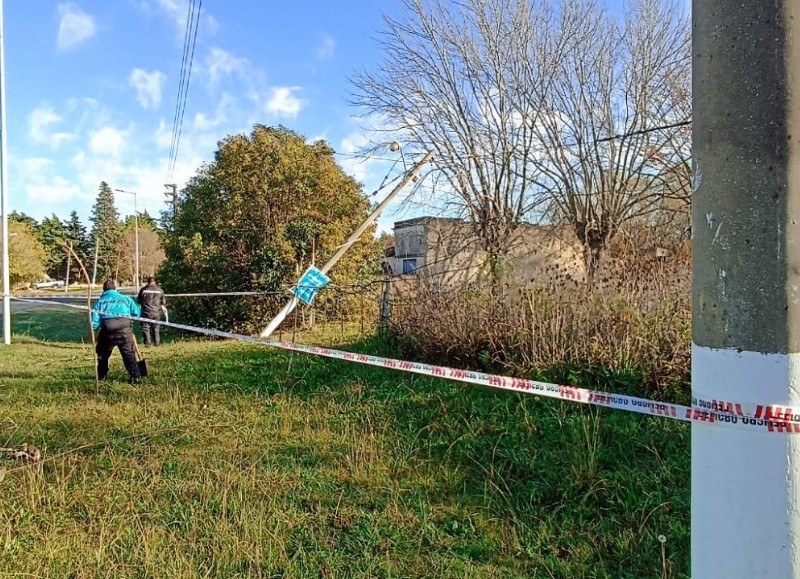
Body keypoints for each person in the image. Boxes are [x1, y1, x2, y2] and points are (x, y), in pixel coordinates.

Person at [92, 279, 142, 384]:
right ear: (115, 288)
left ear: (103, 290)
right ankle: (135, 376)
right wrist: (131, 318)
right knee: (128, 353)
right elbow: (137, 312)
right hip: (125, 330)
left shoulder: (100, 301)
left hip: (107, 331)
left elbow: (95, 321)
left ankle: (101, 375)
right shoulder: (126, 299)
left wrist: (95, 330)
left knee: (103, 354)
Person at [137, 276, 167, 346]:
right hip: (157, 312)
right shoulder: (160, 290)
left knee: (146, 328)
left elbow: (138, 300)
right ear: (155, 282)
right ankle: (157, 343)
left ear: (148, 282)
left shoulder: (143, 290)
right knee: (156, 329)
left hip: (146, 312)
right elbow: (163, 302)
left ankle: (147, 344)